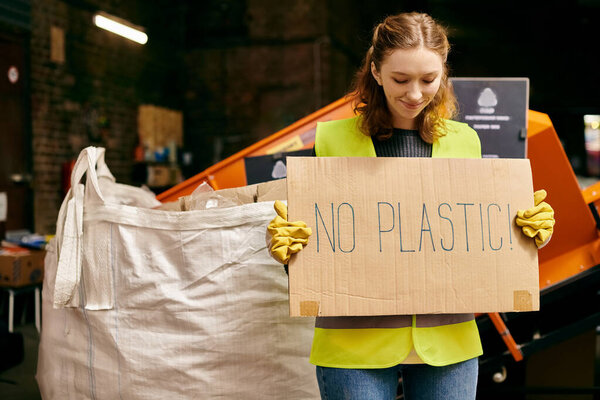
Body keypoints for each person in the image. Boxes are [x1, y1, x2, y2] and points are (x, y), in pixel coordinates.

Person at [267, 11, 555, 400]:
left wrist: (522, 232)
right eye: (400, 79)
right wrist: (289, 248)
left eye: (428, 79)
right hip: (354, 344)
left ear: (444, 74)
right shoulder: (331, 140)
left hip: (448, 339)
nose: (415, 94)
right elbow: (321, 240)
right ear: (375, 70)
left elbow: (475, 237)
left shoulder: (465, 142)